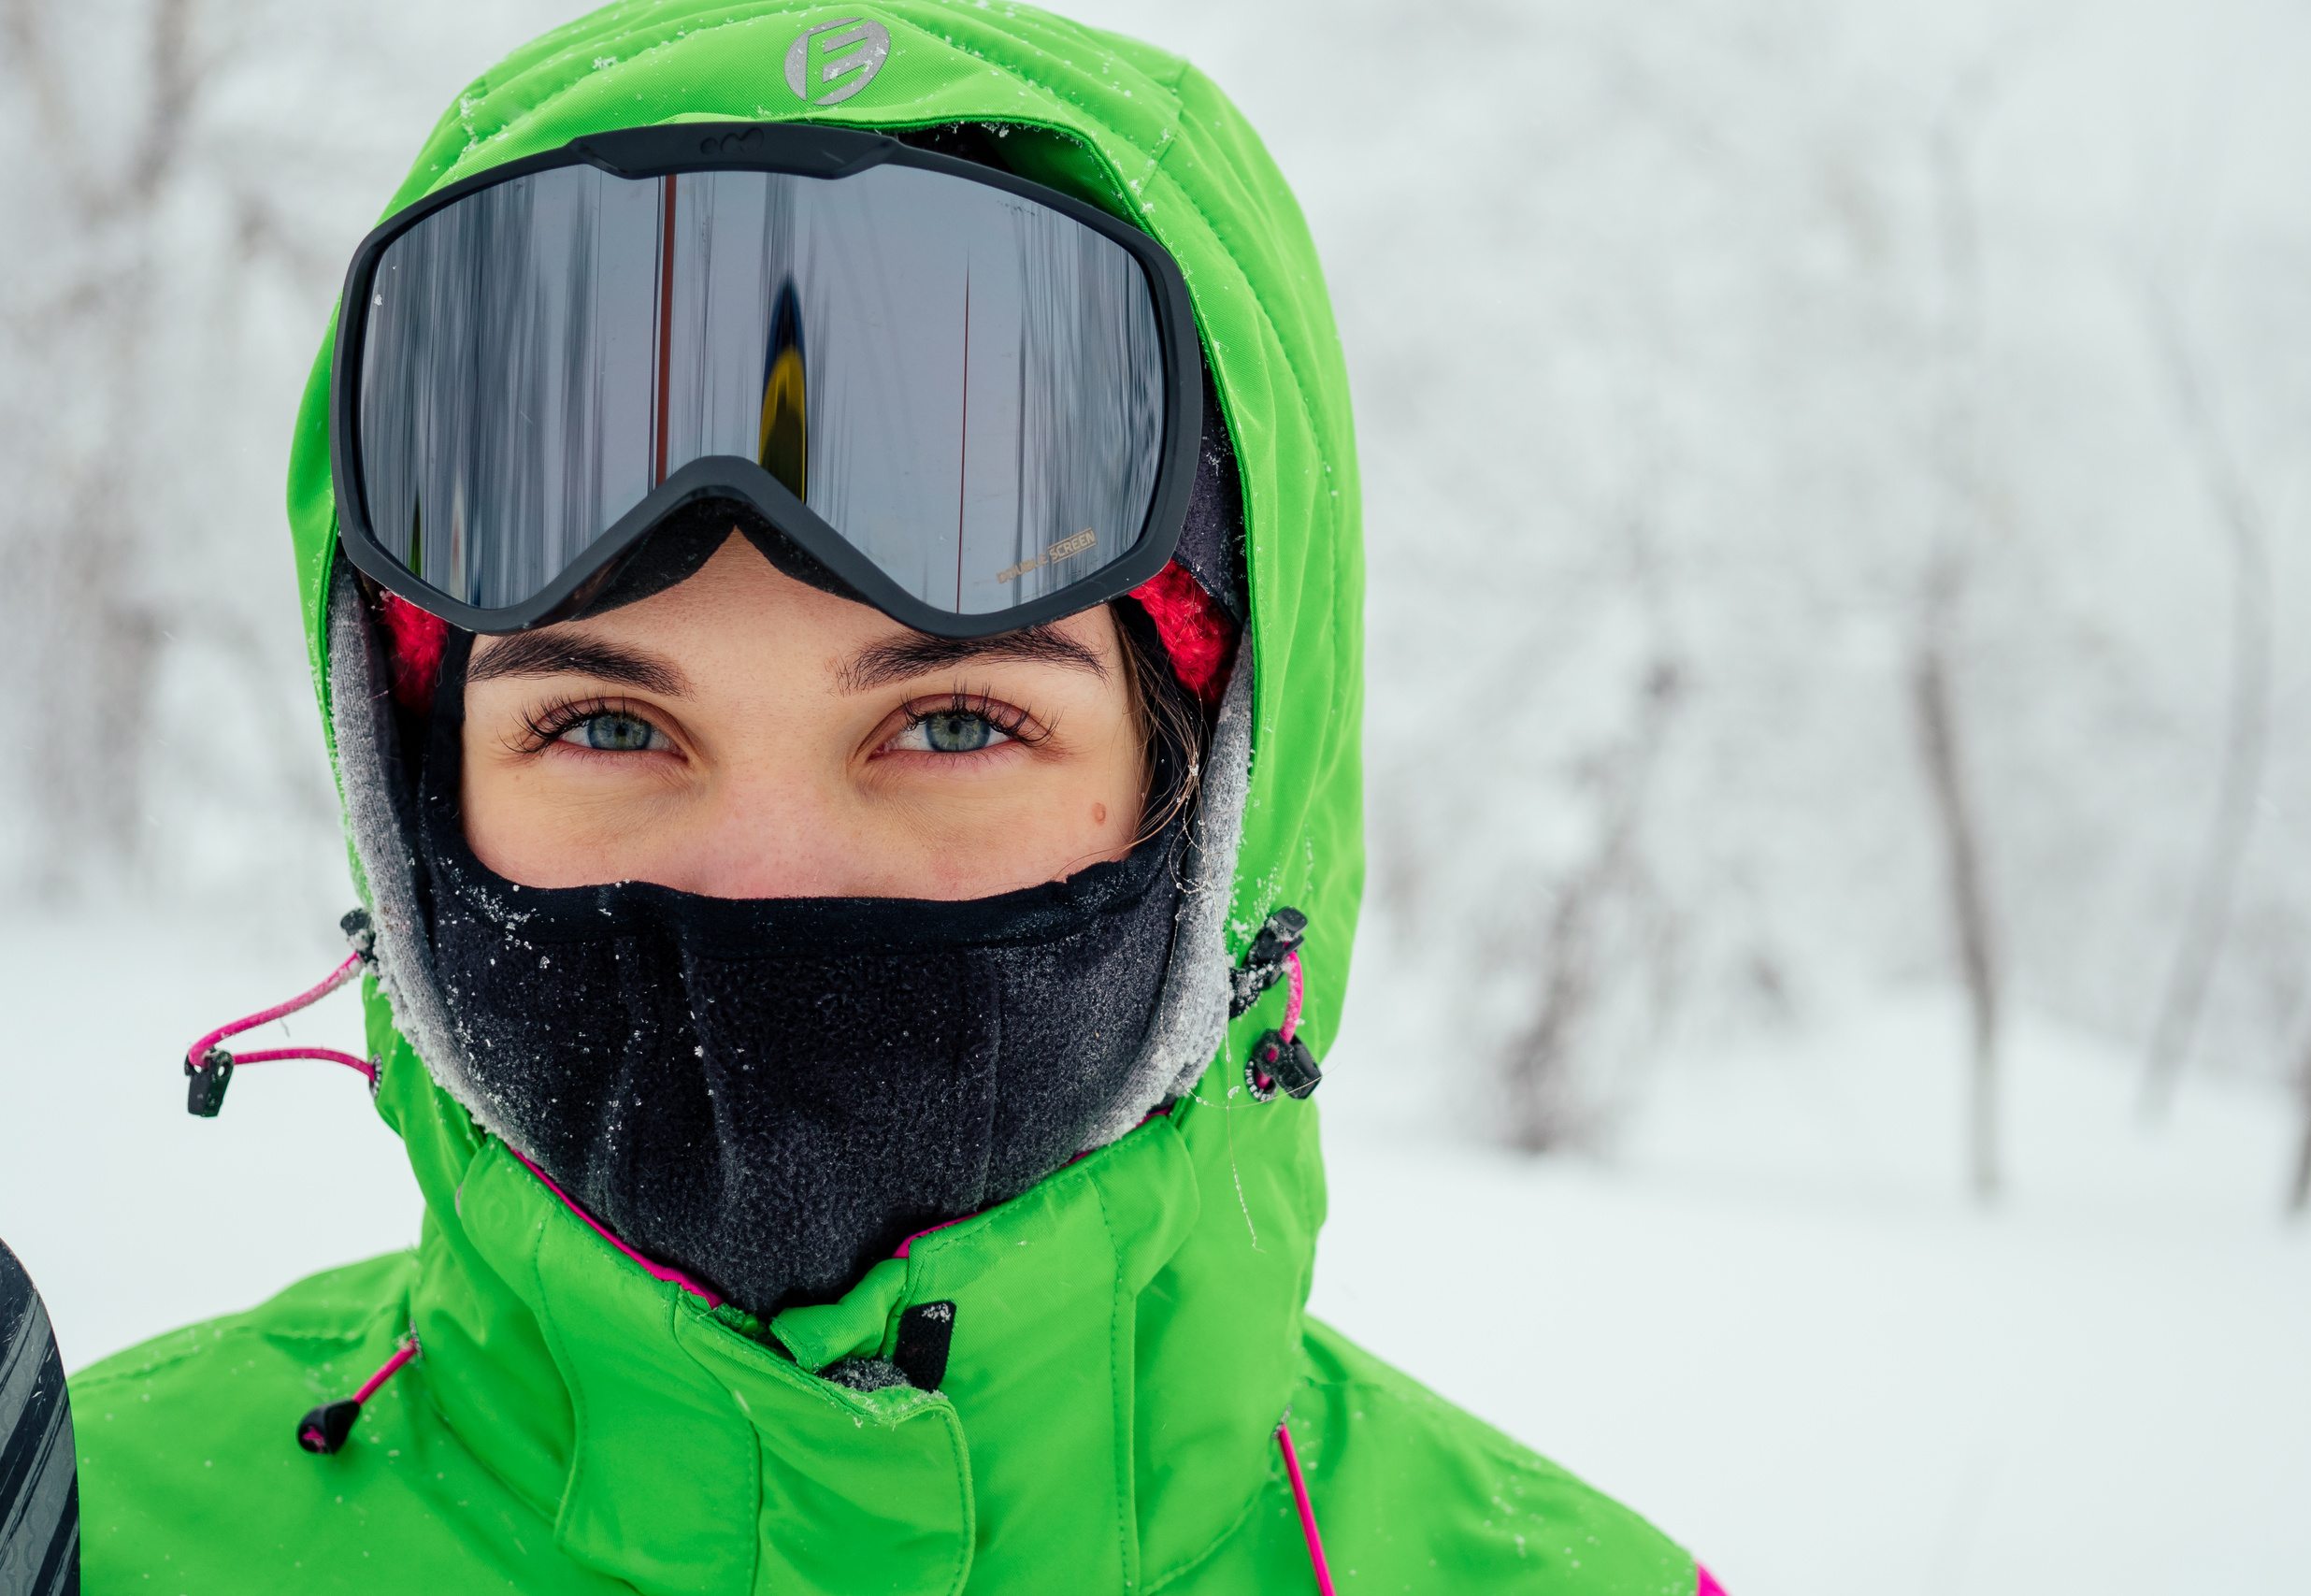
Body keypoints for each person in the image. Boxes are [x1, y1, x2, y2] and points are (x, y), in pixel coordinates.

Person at [69, 4, 1728, 1591]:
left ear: (1218, 801)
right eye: (605, 725)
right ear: (413, 794)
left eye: (951, 724)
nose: (762, 879)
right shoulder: (86, 1538)